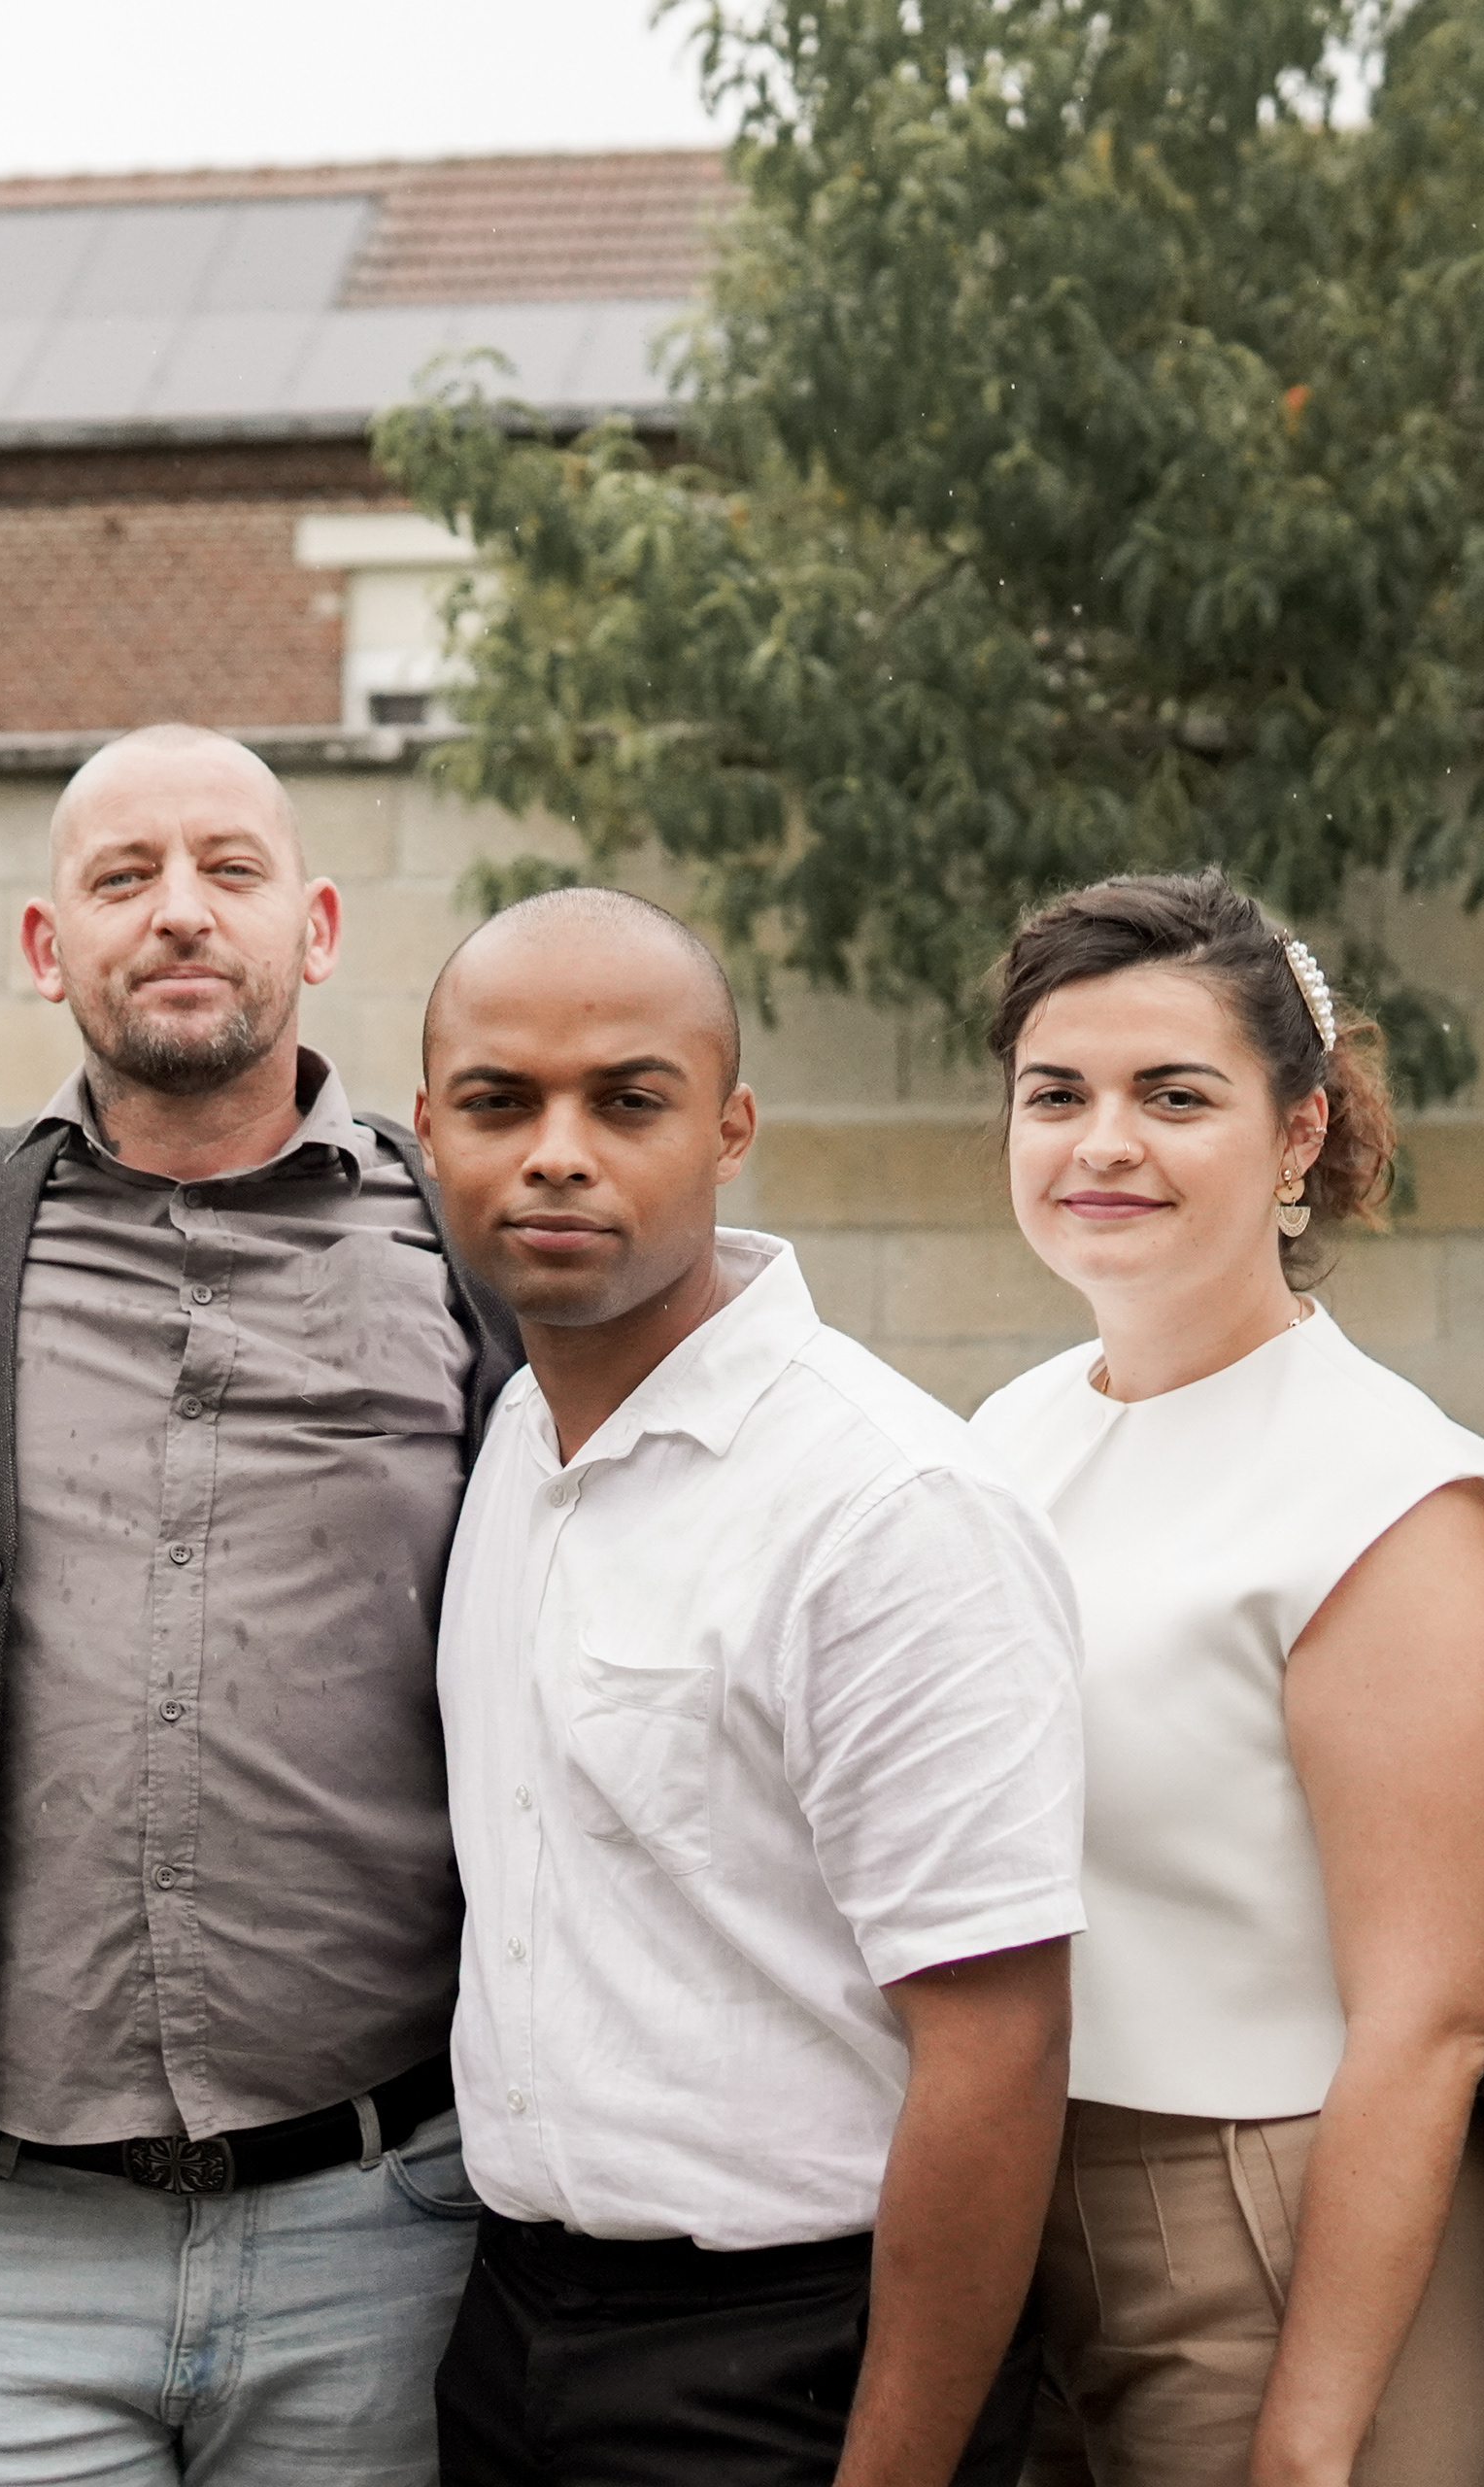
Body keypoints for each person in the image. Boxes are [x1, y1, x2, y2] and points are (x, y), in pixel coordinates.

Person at [0, 724, 521, 2486]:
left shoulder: (463, 1247)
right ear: (47, 944)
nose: (181, 913)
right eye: (124, 878)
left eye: (230, 869)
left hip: (382, 2232)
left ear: (319, 924)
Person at [419, 886, 1084, 2487]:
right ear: (428, 1131)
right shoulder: (513, 1441)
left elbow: (998, 2051)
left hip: (794, 2363)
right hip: (509, 2327)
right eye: (499, 1104)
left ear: (730, 1130)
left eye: (626, 1103)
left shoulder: (888, 1504)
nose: (557, 1154)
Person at [964, 872, 1484, 2487]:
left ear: (1298, 1136)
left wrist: (1309, 2434)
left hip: (1275, 2218)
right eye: (1055, 1096)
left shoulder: (1387, 1496)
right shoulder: (1007, 1437)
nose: (1102, 1144)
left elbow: (1433, 2016)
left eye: (1174, 1097)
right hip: (1019, 2194)